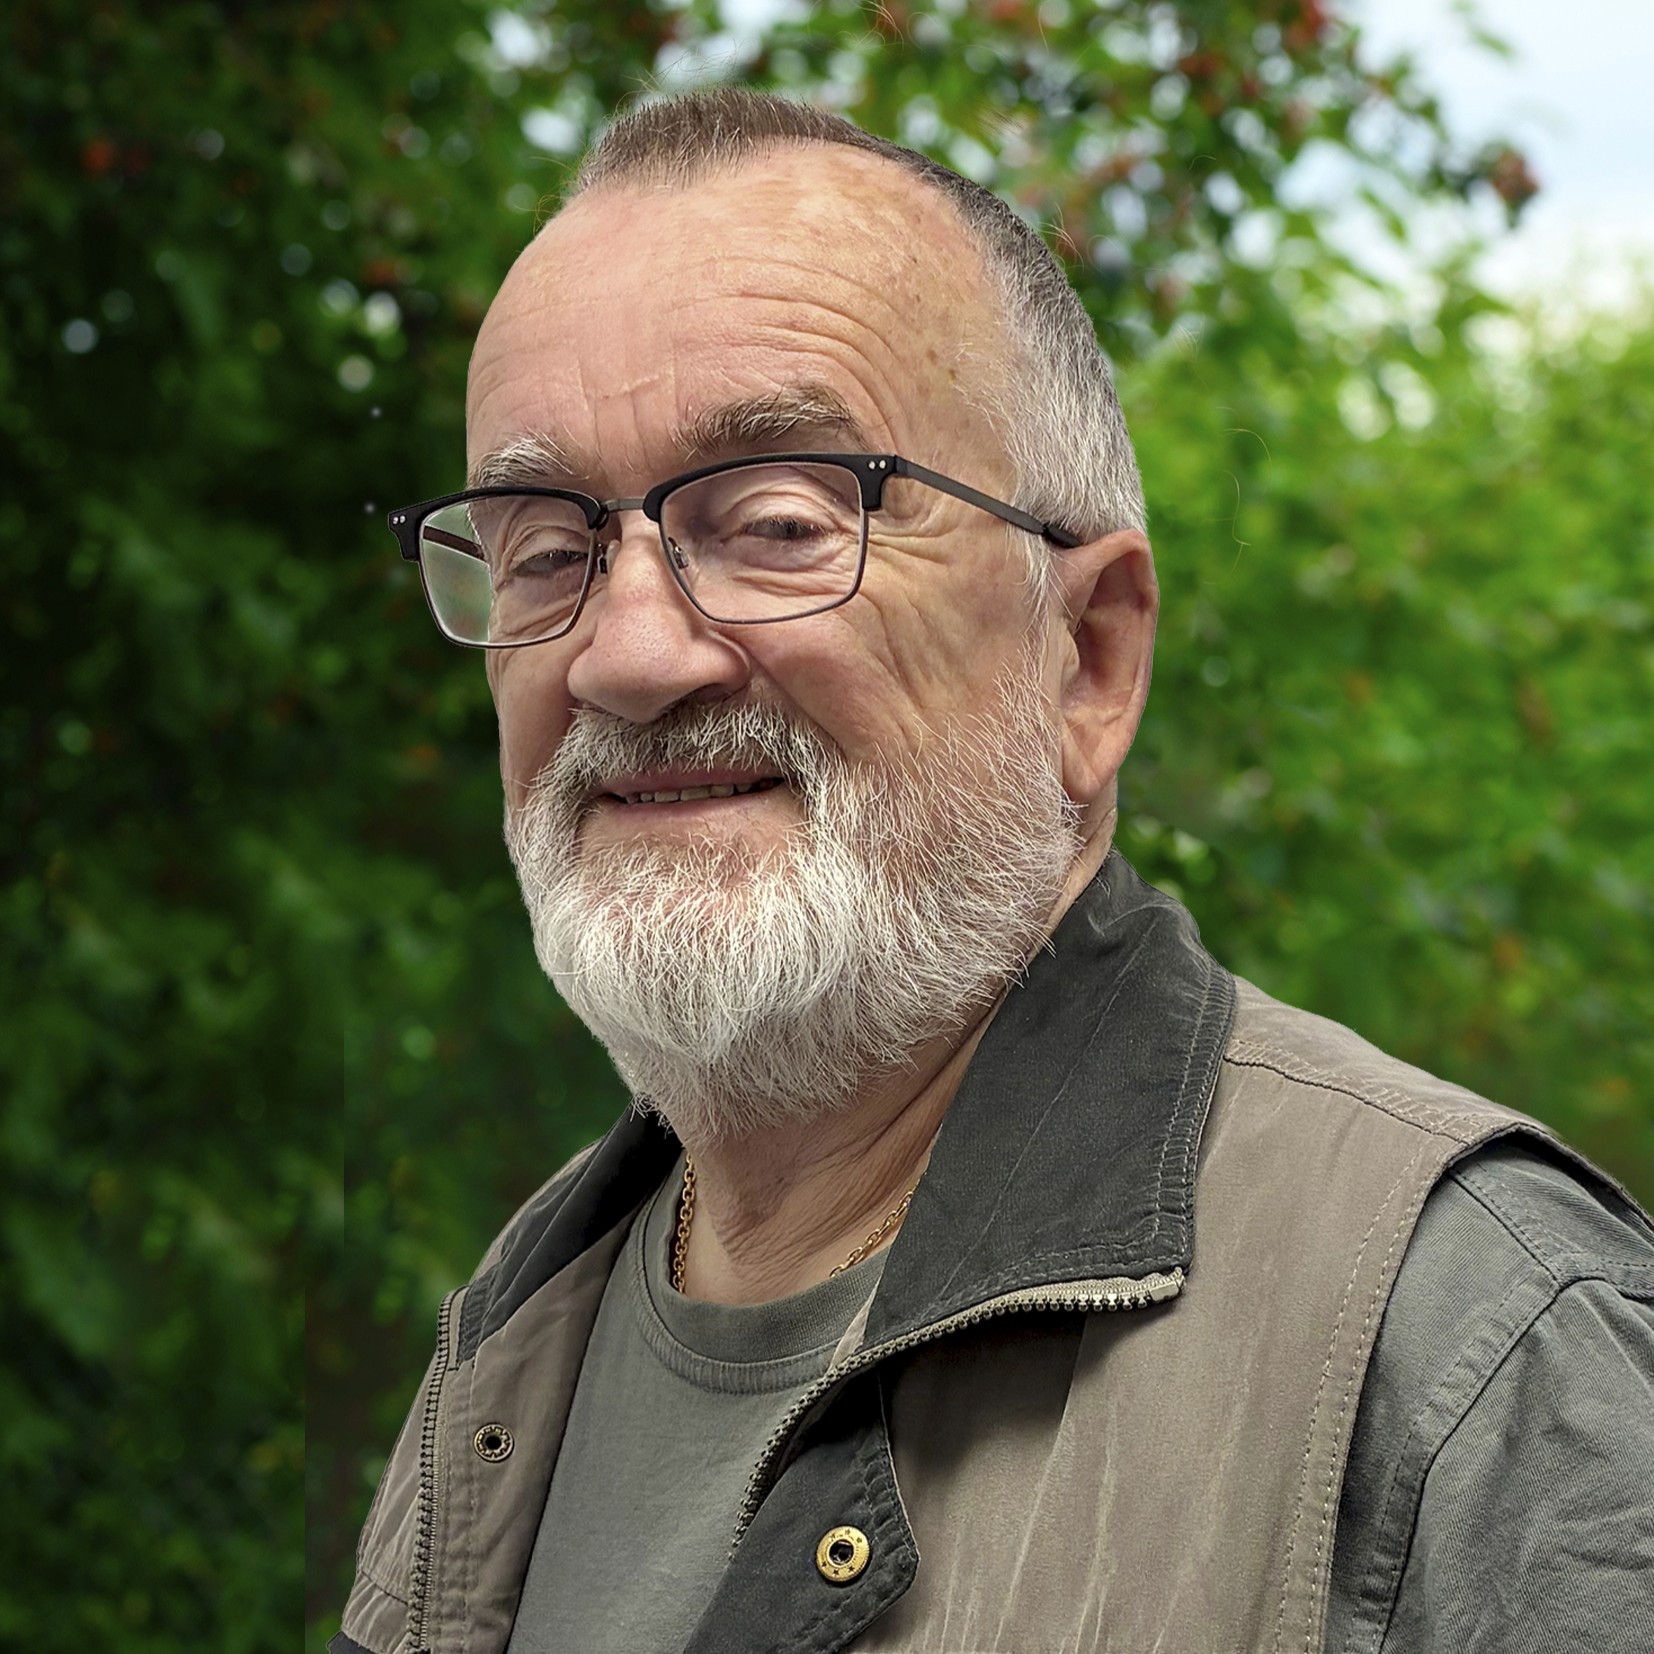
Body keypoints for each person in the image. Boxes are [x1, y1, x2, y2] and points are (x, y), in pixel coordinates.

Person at [334, 90, 1654, 1654]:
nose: (625, 653)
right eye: (546, 551)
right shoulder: (515, 1333)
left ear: (1086, 656)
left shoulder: (1468, 1348)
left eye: (776, 523)